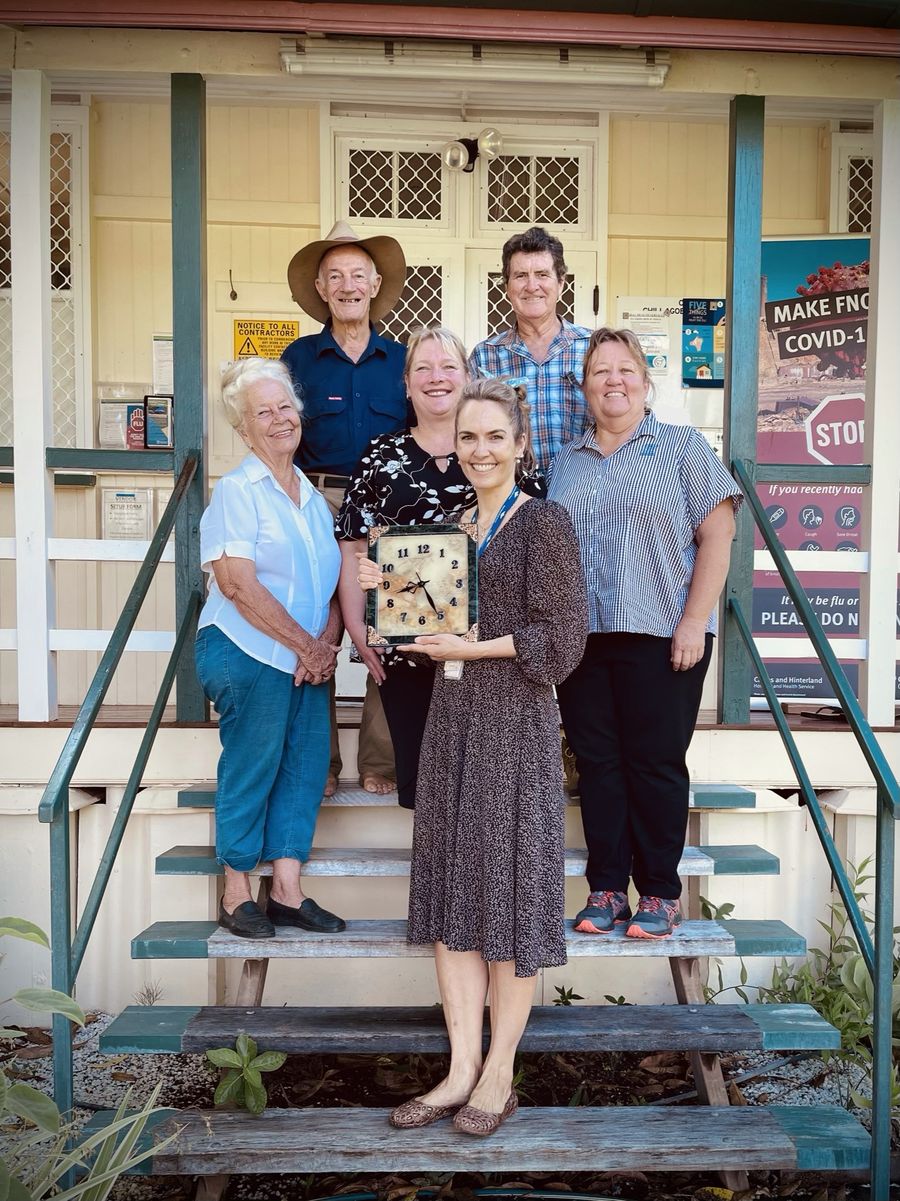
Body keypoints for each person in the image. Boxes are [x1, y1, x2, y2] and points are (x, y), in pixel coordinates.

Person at [358, 379, 588, 1135]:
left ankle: (499, 1072)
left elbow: (562, 644)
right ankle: (459, 1068)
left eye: (495, 436)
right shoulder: (451, 528)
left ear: (521, 446)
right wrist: (386, 586)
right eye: (469, 437)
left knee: (508, 899)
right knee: (455, 898)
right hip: (451, 720)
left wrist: (472, 646)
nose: (481, 449)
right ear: (453, 445)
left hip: (515, 725)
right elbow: (424, 626)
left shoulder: (544, 523)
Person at [548, 327, 742, 940]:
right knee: (600, 764)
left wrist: (692, 622)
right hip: (585, 638)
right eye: (600, 371)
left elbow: (718, 538)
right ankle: (606, 888)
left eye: (625, 369)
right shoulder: (563, 463)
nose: (614, 380)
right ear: (583, 388)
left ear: (645, 380)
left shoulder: (684, 449)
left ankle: (659, 890)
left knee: (655, 762)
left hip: (665, 635)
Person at [195, 357, 346, 940]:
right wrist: (308, 647)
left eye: (286, 407)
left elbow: (331, 580)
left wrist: (324, 644)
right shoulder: (237, 491)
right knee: (254, 767)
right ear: (244, 428)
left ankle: (286, 890)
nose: (280, 419)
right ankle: (235, 893)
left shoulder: (309, 495)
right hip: (248, 653)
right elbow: (237, 583)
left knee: (305, 770)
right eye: (264, 412)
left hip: (305, 659)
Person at [282, 219, 408, 797]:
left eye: (358, 273)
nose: (348, 284)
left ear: (376, 283)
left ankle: (381, 760)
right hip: (316, 499)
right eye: (335, 276)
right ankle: (323, 765)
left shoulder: (403, 360)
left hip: (388, 509)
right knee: (316, 624)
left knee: (391, 629)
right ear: (321, 287)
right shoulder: (299, 358)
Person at [335, 326, 474, 810]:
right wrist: (356, 628)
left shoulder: (495, 451)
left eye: (448, 366)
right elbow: (352, 546)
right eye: (423, 368)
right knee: (421, 785)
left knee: (477, 789)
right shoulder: (379, 456)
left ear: (468, 376)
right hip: (403, 645)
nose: (437, 378)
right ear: (407, 383)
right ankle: (437, 886)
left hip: (483, 653)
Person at [469, 225, 590, 472]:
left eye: (542, 274)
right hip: (513, 497)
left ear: (561, 283)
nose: (532, 285)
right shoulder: (485, 356)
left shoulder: (593, 348)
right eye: (521, 275)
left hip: (583, 495)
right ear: (507, 286)